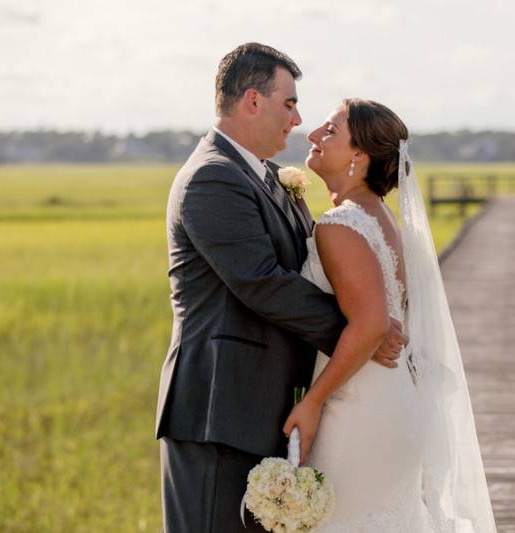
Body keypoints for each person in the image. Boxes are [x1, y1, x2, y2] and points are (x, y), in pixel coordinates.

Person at [155, 44, 405, 532]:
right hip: (219, 413)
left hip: (264, 412)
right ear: (253, 100)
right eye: (289, 103)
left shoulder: (268, 178)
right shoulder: (212, 178)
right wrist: (363, 331)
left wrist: (367, 326)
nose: (298, 119)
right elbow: (263, 283)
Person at [282, 99, 498, 532]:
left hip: (358, 409)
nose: (312, 135)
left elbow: (373, 324)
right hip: (391, 402)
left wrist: (312, 401)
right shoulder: (380, 218)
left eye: (329, 130)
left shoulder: (341, 224)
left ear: (358, 156)